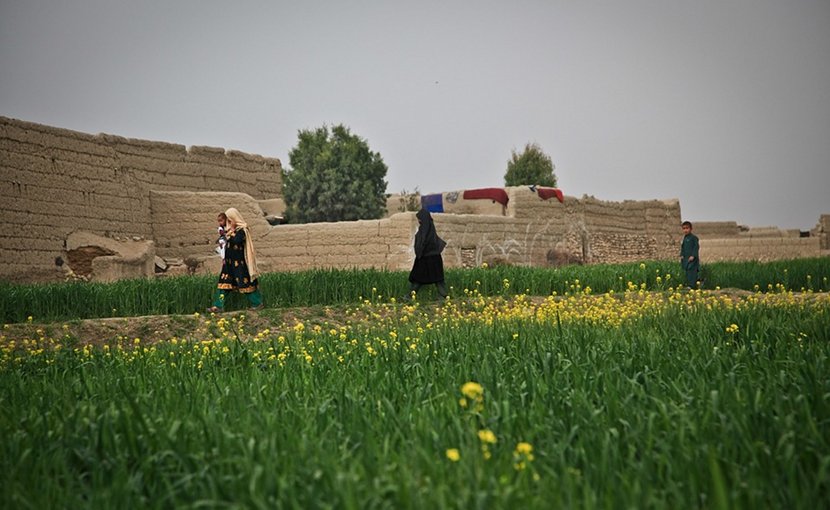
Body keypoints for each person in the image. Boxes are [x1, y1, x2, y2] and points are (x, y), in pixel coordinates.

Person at [207, 208, 264, 312]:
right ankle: (218, 306)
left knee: (245, 285)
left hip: (239, 265)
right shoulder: (228, 231)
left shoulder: (242, 231)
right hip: (228, 265)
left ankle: (257, 303)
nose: (228, 222)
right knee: (223, 286)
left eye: (229, 220)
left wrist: (232, 231)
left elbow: (237, 241)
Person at [408, 208, 448, 299]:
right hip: (434, 258)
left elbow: (422, 243)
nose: (418, 220)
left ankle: (410, 296)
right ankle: (443, 295)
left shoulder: (424, 230)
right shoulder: (430, 228)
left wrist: (419, 254)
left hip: (425, 258)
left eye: (419, 218)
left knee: (418, 279)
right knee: (438, 279)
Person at [680, 221, 700, 288]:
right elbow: (682, 247)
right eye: (684, 228)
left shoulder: (694, 238)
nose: (685, 230)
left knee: (692, 271)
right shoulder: (685, 238)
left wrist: (693, 255)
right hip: (686, 258)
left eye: (687, 228)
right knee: (687, 271)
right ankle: (690, 284)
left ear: (691, 229)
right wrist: (682, 255)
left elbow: (696, 247)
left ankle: (692, 285)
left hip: (692, 259)